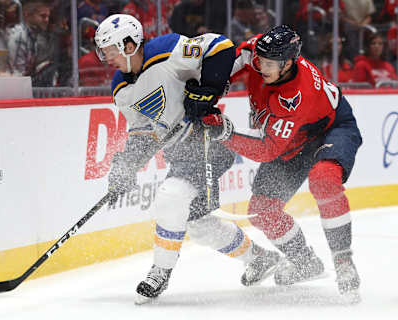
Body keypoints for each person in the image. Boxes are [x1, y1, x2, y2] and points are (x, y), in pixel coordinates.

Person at [94, 14, 281, 304]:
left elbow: (221, 47)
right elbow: (144, 131)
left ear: (129, 44)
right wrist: (125, 165)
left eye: (110, 51)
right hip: (182, 153)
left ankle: (160, 271)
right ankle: (259, 258)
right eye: (103, 52)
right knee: (199, 224)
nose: (106, 59)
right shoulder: (121, 89)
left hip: (210, 139)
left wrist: (208, 89)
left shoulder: (167, 49)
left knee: (171, 195)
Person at [193, 25, 362, 301]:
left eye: (270, 64)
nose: (261, 67)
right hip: (294, 140)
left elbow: (267, 151)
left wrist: (225, 134)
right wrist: (204, 92)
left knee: (323, 179)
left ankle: (343, 262)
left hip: (331, 129)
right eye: (260, 61)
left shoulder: (296, 96)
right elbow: (224, 68)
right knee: (262, 211)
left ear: (288, 63)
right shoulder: (259, 51)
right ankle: (305, 261)